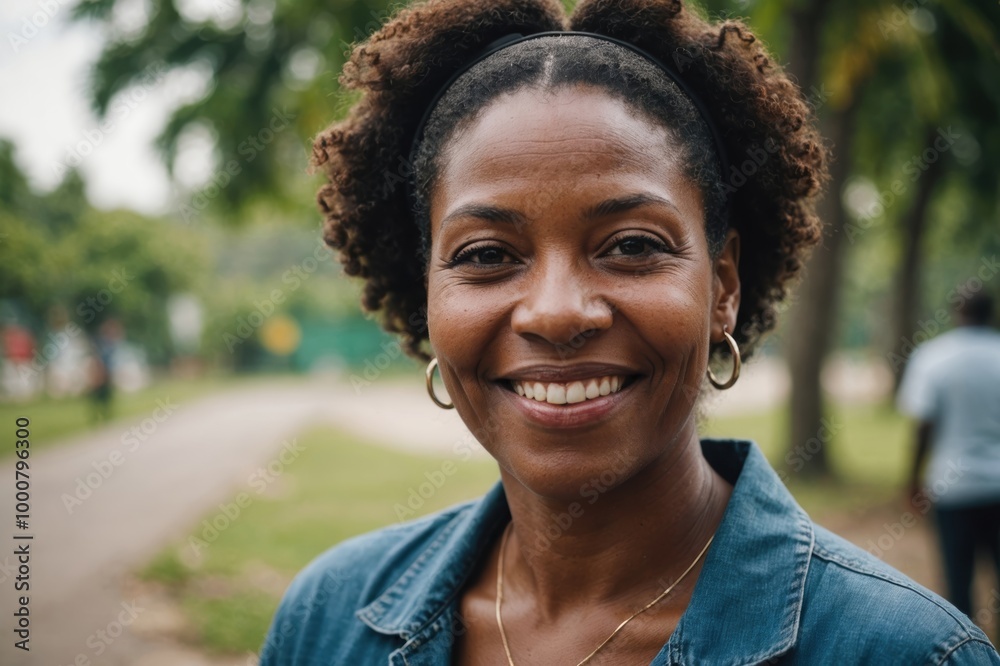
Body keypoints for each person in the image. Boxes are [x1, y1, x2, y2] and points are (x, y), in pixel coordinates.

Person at [261, 0, 1000, 663]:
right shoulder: (328, 622)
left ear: (725, 288)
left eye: (632, 246)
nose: (555, 313)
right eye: (487, 255)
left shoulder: (905, 653)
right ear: (427, 298)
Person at [898, 291, 1000, 639]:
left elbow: (923, 428)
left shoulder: (933, 357)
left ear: (957, 311)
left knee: (958, 582)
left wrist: (912, 481)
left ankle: (969, 653)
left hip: (952, 488)